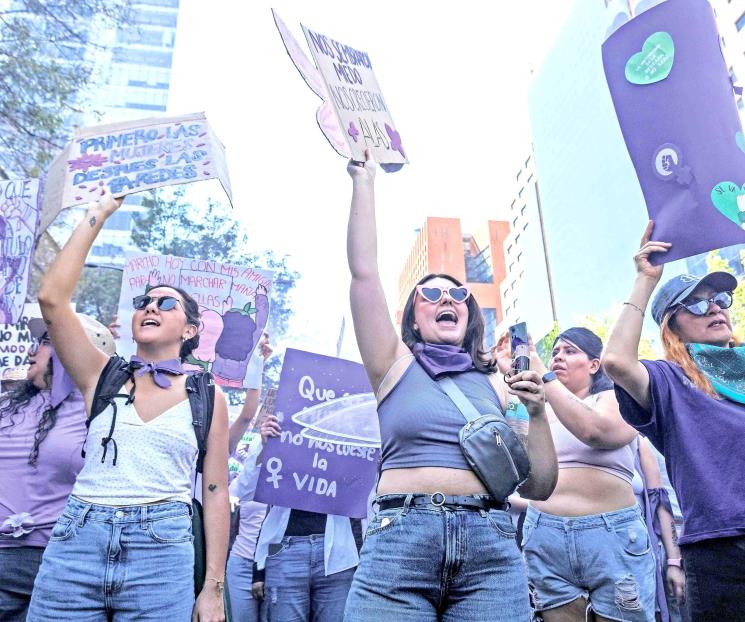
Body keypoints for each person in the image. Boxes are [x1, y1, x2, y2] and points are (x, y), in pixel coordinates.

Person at [342, 153, 558, 621]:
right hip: (401, 542)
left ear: (469, 314)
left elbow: (539, 486)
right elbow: (364, 274)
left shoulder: (498, 385)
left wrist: (538, 413)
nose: (447, 299)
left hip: (490, 549)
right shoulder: (391, 365)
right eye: (431, 293)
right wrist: (365, 181)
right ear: (413, 316)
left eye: (458, 294)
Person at [26, 192, 229, 622]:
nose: (151, 306)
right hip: (78, 542)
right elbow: (52, 300)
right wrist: (97, 213)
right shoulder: (102, 375)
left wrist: (212, 588)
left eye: (166, 303)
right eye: (145, 302)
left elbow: (215, 493)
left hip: (162, 554)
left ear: (190, 329)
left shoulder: (208, 396)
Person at [603, 222, 745, 620]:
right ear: (672, 325)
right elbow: (615, 361)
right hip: (719, 552)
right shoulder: (668, 381)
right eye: (697, 304)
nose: (715, 307)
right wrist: (645, 279)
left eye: (719, 299)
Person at [503, 327, 656, 621]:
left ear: (594, 365)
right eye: (555, 352)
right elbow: (513, 458)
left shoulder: (613, 398)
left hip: (612, 537)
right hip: (545, 535)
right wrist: (511, 377)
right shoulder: (538, 409)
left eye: (570, 351)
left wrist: (546, 379)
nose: (558, 356)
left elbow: (597, 431)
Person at [0, 315, 115, 619]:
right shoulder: (7, 406)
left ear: (71, 348)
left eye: (44, 343)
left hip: (62, 567)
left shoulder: (104, 412)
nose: (30, 352)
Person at [225, 413, 363, 622]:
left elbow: (364, 494)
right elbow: (244, 491)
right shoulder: (281, 431)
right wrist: (265, 448)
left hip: (336, 555)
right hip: (286, 551)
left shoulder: (344, 435)